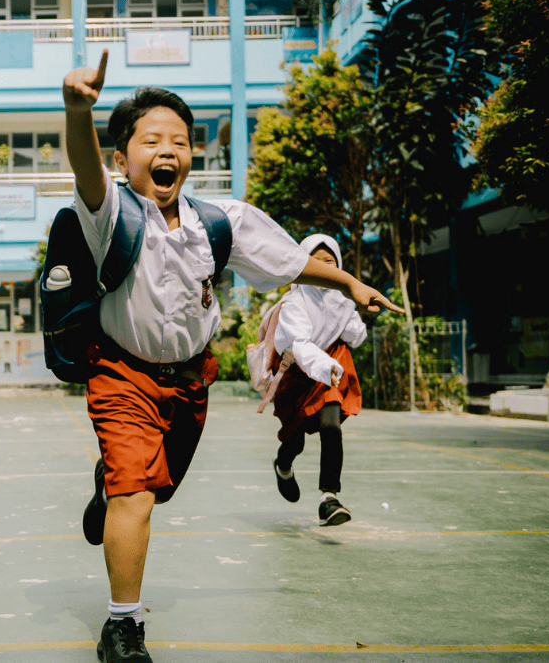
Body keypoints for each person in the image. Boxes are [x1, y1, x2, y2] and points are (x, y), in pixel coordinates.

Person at [63, 51, 402, 663]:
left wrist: (349, 284)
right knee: (136, 493)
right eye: (150, 141)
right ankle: (123, 624)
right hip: (121, 375)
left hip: (191, 381)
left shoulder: (220, 222)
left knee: (154, 491)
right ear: (124, 159)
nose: (167, 151)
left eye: (180, 142)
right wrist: (76, 110)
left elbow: (289, 261)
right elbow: (85, 171)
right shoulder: (111, 215)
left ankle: (105, 484)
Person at [267, 234, 367, 527]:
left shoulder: (343, 299)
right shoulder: (295, 301)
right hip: (298, 371)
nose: (324, 267)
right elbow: (299, 343)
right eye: (315, 262)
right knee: (293, 440)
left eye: (330, 262)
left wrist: (356, 318)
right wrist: (324, 365)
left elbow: (356, 333)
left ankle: (329, 498)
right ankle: (283, 465)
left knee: (330, 427)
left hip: (331, 370)